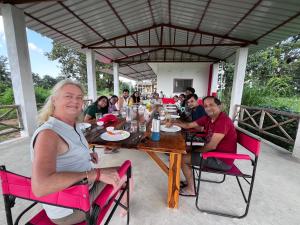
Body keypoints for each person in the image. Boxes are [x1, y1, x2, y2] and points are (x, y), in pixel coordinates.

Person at [30, 80, 127, 224]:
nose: (75, 101)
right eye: (68, 96)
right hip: (69, 208)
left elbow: (66, 153)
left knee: (122, 172)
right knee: (126, 174)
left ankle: (122, 203)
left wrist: (86, 155)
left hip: (82, 189)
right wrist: (96, 174)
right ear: (54, 100)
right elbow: (40, 187)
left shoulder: (72, 125)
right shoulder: (48, 133)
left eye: (79, 97)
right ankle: (124, 208)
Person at [166, 96, 237, 196]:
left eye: (211, 105)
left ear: (219, 106)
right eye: (206, 106)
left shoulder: (223, 121)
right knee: (183, 150)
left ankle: (191, 189)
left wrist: (193, 152)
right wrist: (173, 122)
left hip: (222, 160)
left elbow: (211, 146)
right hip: (214, 153)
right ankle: (189, 181)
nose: (208, 108)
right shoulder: (208, 118)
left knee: (183, 158)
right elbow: (188, 125)